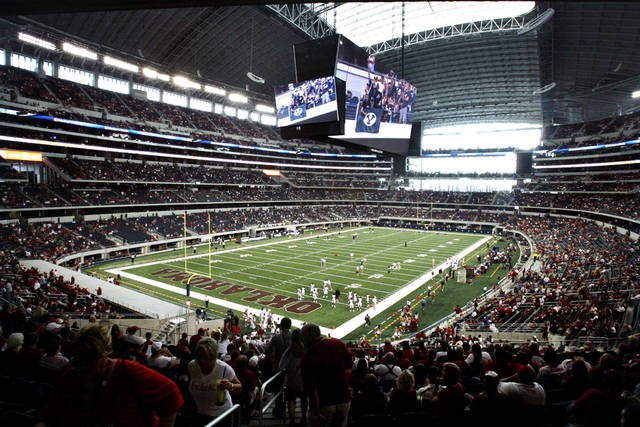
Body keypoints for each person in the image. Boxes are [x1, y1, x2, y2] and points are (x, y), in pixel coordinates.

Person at [41, 324, 183, 427]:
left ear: (106, 353)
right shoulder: (71, 376)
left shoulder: (128, 371)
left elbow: (172, 394)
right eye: (79, 361)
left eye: (90, 361)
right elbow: (49, 416)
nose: (84, 367)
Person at [300, 323, 352, 427]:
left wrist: (317, 413)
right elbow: (349, 364)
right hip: (344, 400)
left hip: (325, 404)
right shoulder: (336, 343)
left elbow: (311, 389)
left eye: (303, 337)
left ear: (309, 337)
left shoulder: (308, 357)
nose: (301, 340)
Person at [188, 337, 242, 426]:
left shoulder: (224, 369)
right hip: (199, 413)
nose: (202, 361)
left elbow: (240, 387)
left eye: (206, 358)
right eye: (199, 356)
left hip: (221, 416)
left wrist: (230, 385)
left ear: (214, 357)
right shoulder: (192, 366)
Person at [279, 328, 308, 427]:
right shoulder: (306, 351)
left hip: (291, 381)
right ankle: (304, 417)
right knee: (304, 399)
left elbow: (281, 366)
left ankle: (291, 420)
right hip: (304, 381)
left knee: (291, 400)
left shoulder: (288, 352)